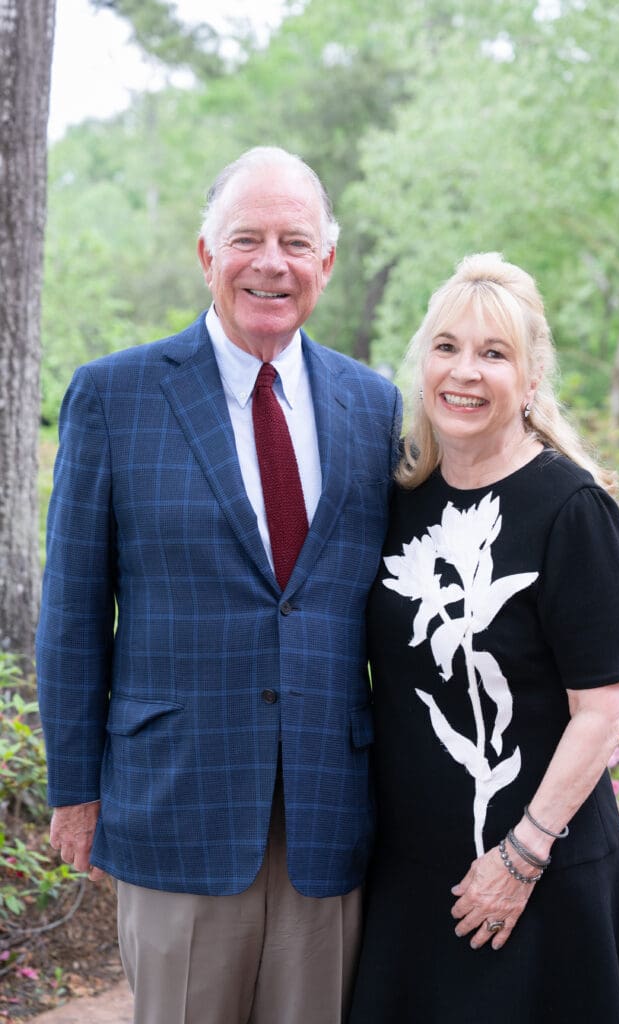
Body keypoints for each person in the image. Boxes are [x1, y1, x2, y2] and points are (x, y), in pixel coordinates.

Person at [36, 145, 402, 1024]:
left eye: (294, 241)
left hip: (328, 805)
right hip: (177, 801)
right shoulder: (115, 397)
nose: (270, 263)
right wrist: (75, 790)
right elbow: (73, 610)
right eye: (246, 239)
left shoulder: (375, 406)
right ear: (207, 255)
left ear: (326, 262)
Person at [349, 252, 619, 1023]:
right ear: (422, 365)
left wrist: (518, 859)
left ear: (531, 378)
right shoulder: (401, 502)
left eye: (493, 354)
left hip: (537, 874)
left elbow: (603, 709)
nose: (464, 372)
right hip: (414, 876)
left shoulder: (570, 508)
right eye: (446, 347)